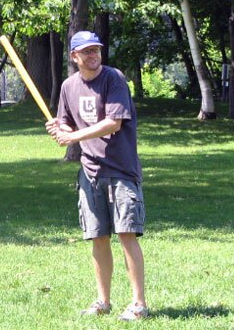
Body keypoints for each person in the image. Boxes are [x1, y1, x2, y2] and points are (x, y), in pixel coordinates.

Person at [45, 31, 148, 321]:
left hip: (120, 171)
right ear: (74, 56)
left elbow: (113, 123)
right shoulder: (69, 86)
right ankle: (103, 302)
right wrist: (59, 128)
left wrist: (73, 136)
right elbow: (65, 121)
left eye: (96, 50)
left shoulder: (113, 79)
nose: (93, 56)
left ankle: (139, 304)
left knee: (127, 234)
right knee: (98, 237)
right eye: (86, 52)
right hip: (90, 172)